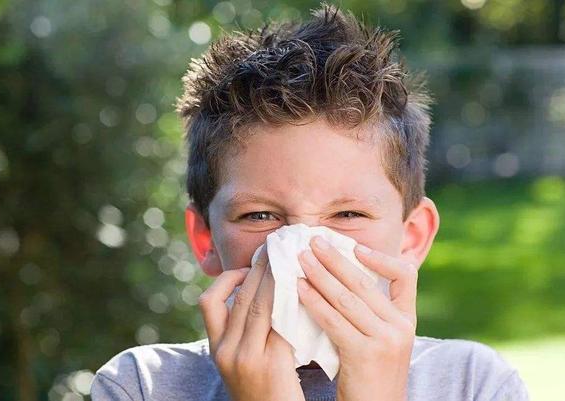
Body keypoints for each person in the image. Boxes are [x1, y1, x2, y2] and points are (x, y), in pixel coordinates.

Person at [90, 4, 529, 401]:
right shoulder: (142, 386)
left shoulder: (475, 385)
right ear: (205, 238)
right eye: (259, 215)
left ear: (411, 238)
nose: (300, 249)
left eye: (348, 213)